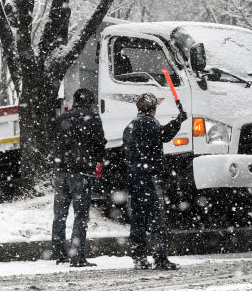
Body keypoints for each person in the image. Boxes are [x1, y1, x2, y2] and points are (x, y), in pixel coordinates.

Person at [122, 93, 187, 270]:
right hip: (150, 177)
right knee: (157, 218)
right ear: (153, 109)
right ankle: (160, 258)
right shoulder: (151, 123)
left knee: (138, 218)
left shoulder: (130, 126)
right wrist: (178, 121)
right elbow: (164, 135)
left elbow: (125, 153)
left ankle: (139, 258)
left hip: (134, 178)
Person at [52, 89, 107, 267]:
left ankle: (59, 254)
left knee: (60, 214)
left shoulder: (62, 118)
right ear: (90, 101)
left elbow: (56, 144)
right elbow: (99, 143)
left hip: (61, 172)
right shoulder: (93, 117)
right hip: (81, 172)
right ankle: (77, 256)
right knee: (80, 215)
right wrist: (98, 161)